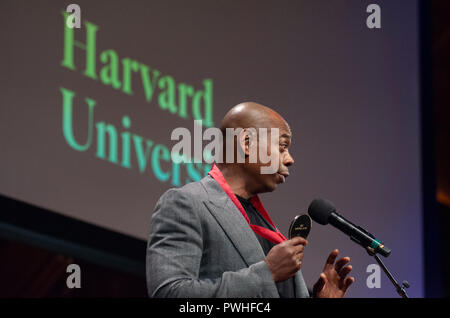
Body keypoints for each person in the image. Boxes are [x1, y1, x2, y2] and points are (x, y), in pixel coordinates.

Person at [146, 102, 355, 297]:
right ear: (247, 143)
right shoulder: (186, 203)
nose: (290, 159)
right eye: (282, 147)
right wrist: (266, 273)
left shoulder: (262, 222)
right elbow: (170, 293)